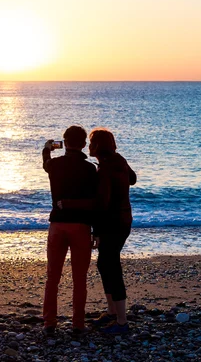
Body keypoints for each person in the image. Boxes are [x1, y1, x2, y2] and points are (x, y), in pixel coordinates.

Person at [74, 128, 137, 334]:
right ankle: (112, 312)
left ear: (98, 146)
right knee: (105, 263)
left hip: (113, 223)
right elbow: (133, 178)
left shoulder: (106, 169)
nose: (89, 147)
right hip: (124, 219)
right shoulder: (119, 160)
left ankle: (121, 321)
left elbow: (102, 205)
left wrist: (96, 231)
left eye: (91, 144)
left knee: (111, 266)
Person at [41, 125, 98, 336]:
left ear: (64, 142)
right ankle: (78, 323)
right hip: (81, 226)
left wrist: (47, 149)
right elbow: (95, 202)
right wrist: (97, 230)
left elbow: (46, 162)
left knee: (52, 277)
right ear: (84, 144)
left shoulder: (54, 165)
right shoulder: (90, 169)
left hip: (58, 224)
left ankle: (49, 322)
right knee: (79, 278)